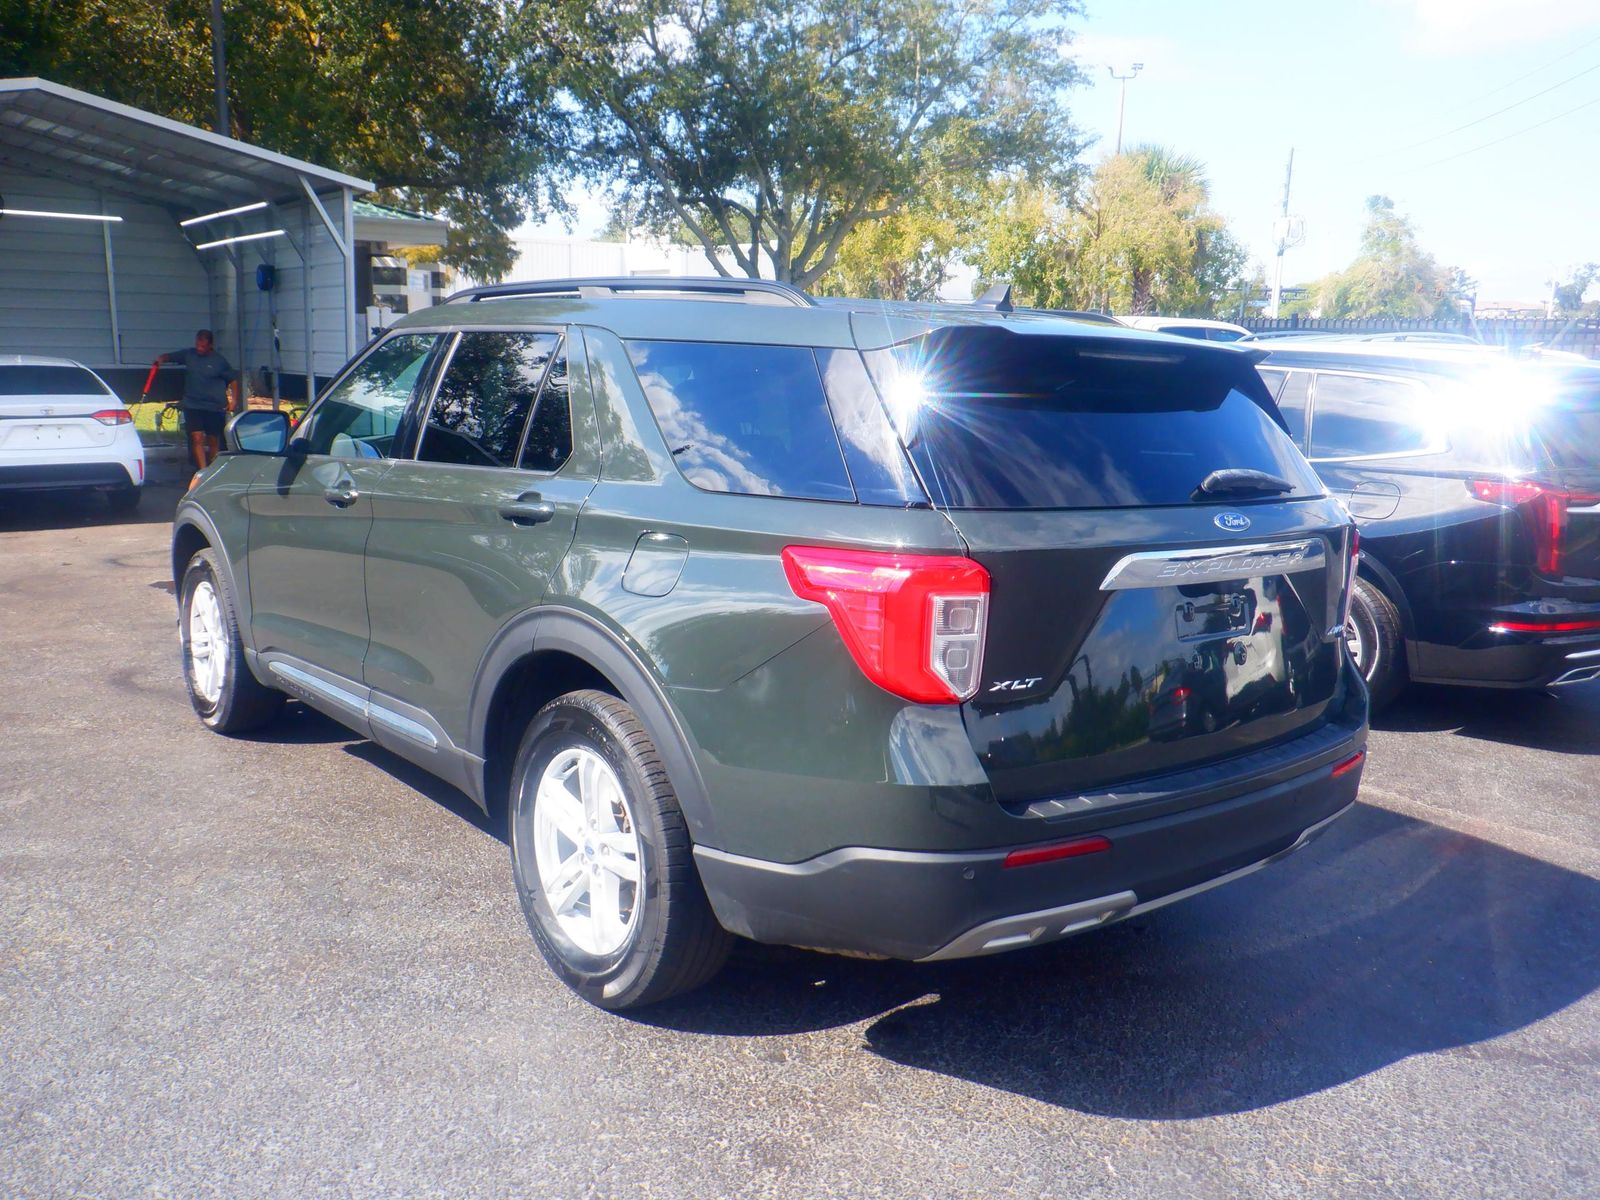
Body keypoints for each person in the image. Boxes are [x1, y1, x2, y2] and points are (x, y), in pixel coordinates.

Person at [154, 330, 240, 471]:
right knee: (197, 437)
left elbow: (233, 380)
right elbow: (171, 356)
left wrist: (234, 400)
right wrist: (161, 359)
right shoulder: (189, 355)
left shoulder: (219, 361)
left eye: (203, 346)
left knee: (213, 440)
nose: (199, 348)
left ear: (210, 345)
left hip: (214, 406)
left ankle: (213, 468)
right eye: (198, 345)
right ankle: (202, 470)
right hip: (193, 405)